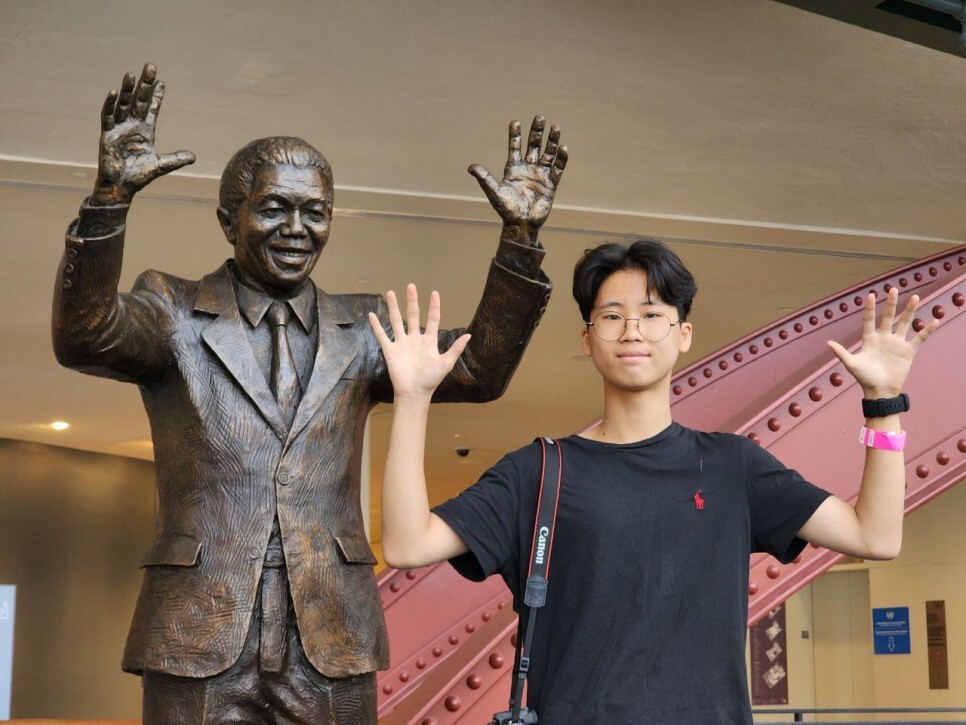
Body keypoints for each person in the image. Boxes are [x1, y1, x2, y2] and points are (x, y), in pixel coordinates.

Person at [51, 63, 567, 724]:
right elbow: (85, 335)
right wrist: (109, 202)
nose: (296, 228)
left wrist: (521, 241)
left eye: (314, 213)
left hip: (332, 633)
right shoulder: (173, 311)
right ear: (228, 219)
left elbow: (480, 369)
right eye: (274, 208)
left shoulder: (364, 328)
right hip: (196, 629)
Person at [369, 238, 938, 724]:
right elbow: (407, 544)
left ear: (683, 334)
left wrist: (883, 402)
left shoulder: (733, 466)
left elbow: (875, 536)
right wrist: (413, 398)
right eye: (611, 316)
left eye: (651, 314)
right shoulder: (539, 472)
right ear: (588, 338)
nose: (631, 331)